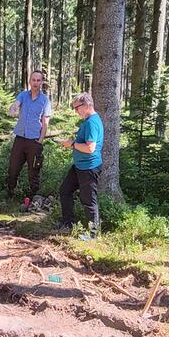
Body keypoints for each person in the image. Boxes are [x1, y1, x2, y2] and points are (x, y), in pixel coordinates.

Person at [57, 92, 103, 237]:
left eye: (77, 108)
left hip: (89, 168)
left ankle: (93, 234)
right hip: (79, 166)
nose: (76, 112)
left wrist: (71, 144)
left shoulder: (92, 123)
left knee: (89, 200)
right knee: (65, 190)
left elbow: (90, 148)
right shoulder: (89, 120)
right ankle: (68, 223)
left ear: (86, 105)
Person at [6, 71, 52, 201]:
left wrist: (40, 142)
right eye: (33, 80)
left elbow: (45, 123)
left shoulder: (45, 101)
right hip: (20, 138)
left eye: (38, 80)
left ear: (42, 82)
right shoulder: (23, 95)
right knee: (13, 168)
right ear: (29, 81)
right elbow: (16, 104)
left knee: (34, 172)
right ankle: (10, 194)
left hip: (34, 141)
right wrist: (13, 108)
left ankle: (33, 199)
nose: (36, 83)